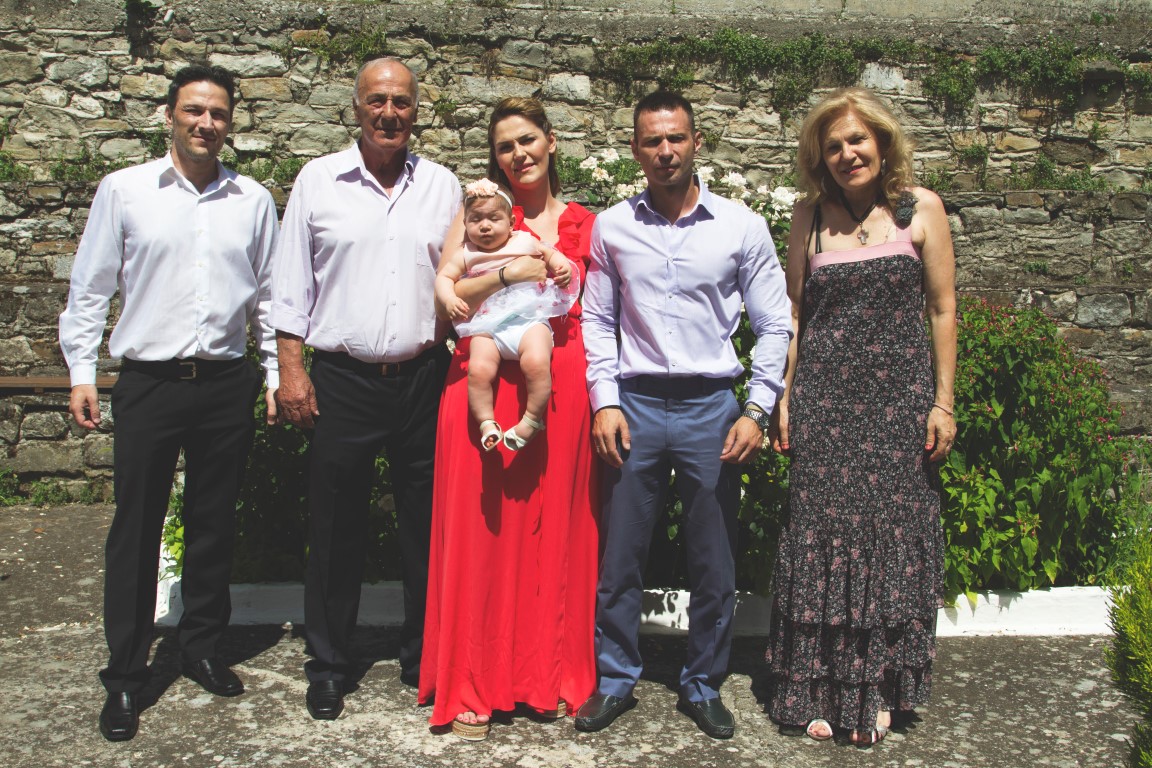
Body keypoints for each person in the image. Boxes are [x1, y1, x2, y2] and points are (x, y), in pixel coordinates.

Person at [58, 65, 279, 742]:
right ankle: (126, 674)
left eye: (218, 113)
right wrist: (81, 370)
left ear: (230, 122)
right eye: (193, 110)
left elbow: (270, 297)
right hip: (149, 383)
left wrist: (275, 373)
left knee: (213, 522)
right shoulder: (125, 191)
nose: (206, 123)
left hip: (224, 383)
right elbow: (90, 286)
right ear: (169, 115)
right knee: (136, 527)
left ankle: (202, 645)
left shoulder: (252, 200)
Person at [577, 91, 793, 740]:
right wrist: (604, 400)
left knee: (713, 559)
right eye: (652, 140)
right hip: (635, 405)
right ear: (635, 149)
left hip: (711, 409)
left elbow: (775, 324)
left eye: (676, 138)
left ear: (697, 142)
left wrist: (757, 408)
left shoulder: (741, 227)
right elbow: (597, 319)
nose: (665, 151)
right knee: (621, 556)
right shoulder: (613, 227)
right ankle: (615, 680)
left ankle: (703, 684)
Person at [764, 86, 957, 747]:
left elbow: (942, 309)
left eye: (857, 140)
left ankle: (877, 691)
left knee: (889, 541)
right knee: (821, 538)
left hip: (898, 406)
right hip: (825, 404)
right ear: (819, 157)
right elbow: (793, 312)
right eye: (834, 146)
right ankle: (816, 689)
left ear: (882, 143)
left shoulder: (921, 210)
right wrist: (784, 396)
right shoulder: (809, 217)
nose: (847, 154)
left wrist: (943, 401)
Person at [270, 57, 460, 720]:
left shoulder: (442, 186)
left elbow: (464, 273)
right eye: (377, 100)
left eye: (401, 102)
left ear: (416, 110)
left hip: (424, 377)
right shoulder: (318, 180)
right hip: (344, 381)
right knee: (334, 527)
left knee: (427, 527)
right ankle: (328, 663)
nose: (389, 113)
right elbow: (289, 284)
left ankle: (424, 656)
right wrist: (290, 370)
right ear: (355, 108)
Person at [419, 97, 600, 741]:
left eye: (527, 140)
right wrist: (509, 276)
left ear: (550, 141)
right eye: (504, 146)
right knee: (481, 532)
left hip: (557, 387)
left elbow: (600, 311)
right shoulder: (478, 216)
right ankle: (471, 681)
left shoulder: (585, 223)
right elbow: (447, 301)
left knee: (555, 533)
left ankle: (545, 673)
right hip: (481, 380)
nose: (518, 154)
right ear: (494, 158)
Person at [435, 178, 577, 452]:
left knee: (537, 362)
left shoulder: (523, 240)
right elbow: (443, 278)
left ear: (511, 222)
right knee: (478, 369)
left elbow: (550, 254)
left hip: (528, 320)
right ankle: (486, 422)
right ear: (465, 224)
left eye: (493, 218)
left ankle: (531, 419)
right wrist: (449, 297)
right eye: (475, 219)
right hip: (487, 325)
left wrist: (562, 267)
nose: (484, 226)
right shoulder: (467, 253)